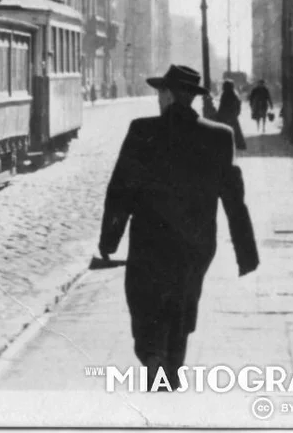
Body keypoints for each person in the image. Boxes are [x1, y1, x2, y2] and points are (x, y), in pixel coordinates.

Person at [97, 64, 259, 391]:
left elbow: (120, 191)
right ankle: (170, 368)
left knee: (146, 309)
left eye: (161, 93)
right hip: (195, 246)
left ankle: (154, 357)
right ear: (192, 98)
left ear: (168, 95)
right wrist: (246, 254)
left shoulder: (142, 130)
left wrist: (109, 240)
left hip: (148, 244)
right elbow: (234, 200)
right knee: (181, 311)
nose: (158, 99)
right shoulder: (219, 136)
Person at [216, 80, 247, 150]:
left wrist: (218, 115)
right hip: (232, 117)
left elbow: (222, 107)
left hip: (225, 117)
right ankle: (238, 145)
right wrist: (235, 114)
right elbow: (238, 106)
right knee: (236, 132)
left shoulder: (225, 95)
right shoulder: (234, 95)